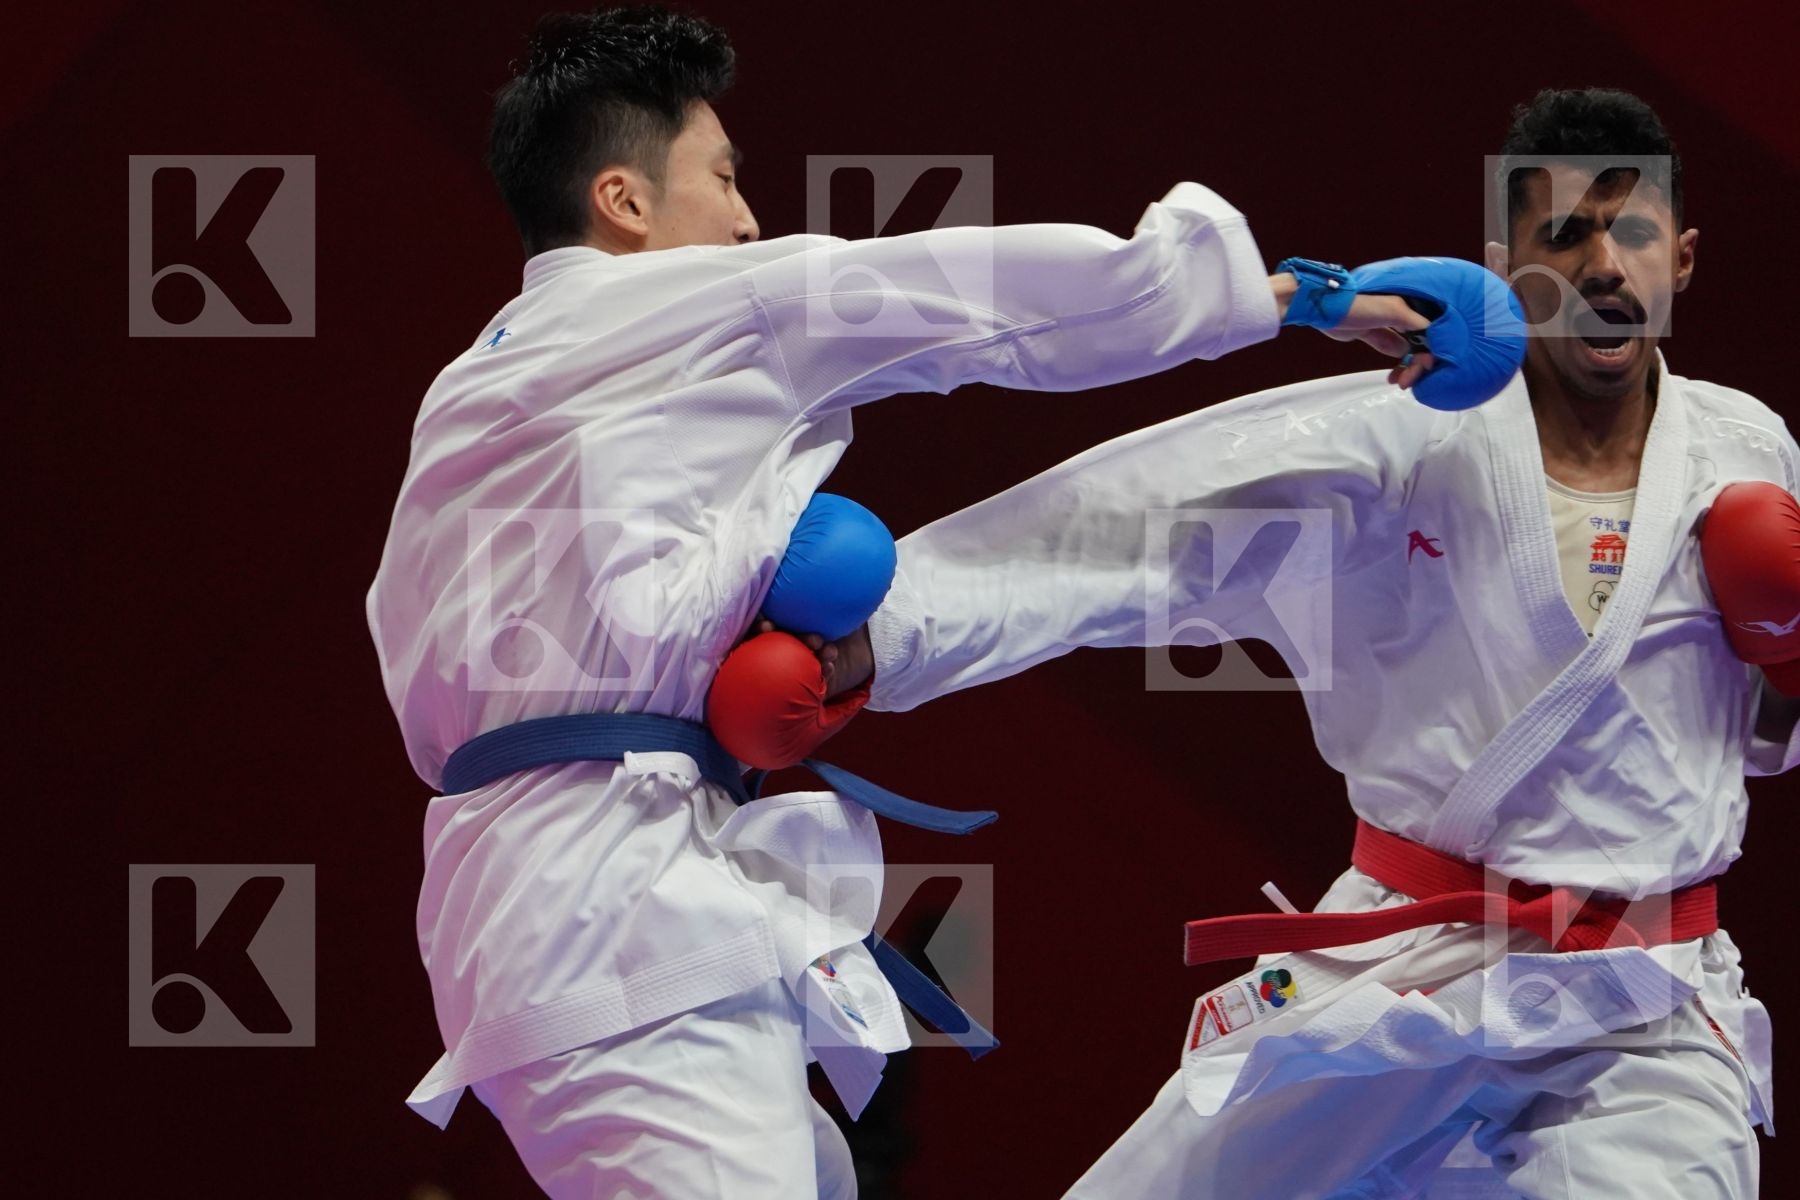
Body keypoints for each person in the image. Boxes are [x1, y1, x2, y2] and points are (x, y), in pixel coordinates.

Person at [362, 4, 1437, 1196]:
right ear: (624, 202)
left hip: (517, 900)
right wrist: (1295, 296)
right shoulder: (696, 304)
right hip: (610, 902)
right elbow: (989, 302)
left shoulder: (468, 390)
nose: (745, 218)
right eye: (721, 178)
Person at [842, 87, 1800, 1198]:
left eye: (1631, 231)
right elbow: (1137, 525)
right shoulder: (1402, 442)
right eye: (1565, 233)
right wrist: (876, 629)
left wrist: (1786, 663)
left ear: (1681, 257)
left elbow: (1745, 738)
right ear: (1506, 261)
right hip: (1406, 966)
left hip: (1651, 1002)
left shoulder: (1750, 451)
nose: (1602, 264)